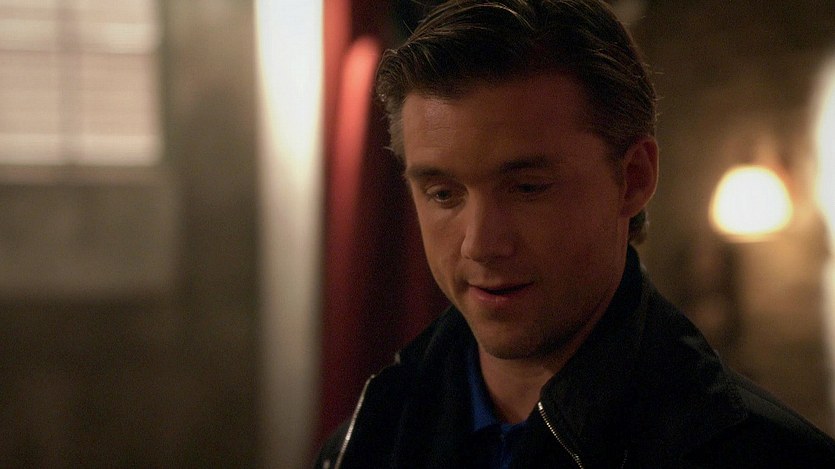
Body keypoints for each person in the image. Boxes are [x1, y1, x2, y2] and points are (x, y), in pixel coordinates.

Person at [315, 0, 835, 467]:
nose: (481, 244)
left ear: (633, 179)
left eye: (527, 188)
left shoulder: (762, 455)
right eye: (444, 194)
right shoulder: (363, 444)